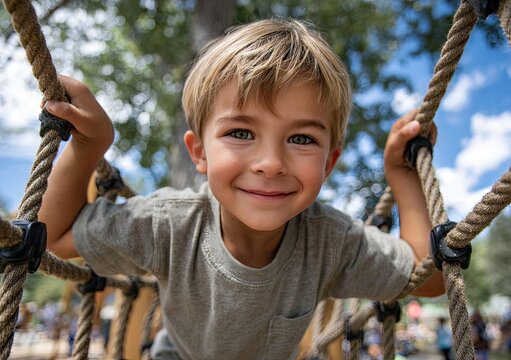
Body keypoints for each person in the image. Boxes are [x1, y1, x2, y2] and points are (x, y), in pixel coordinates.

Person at [38, 19, 444, 360]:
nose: (270, 162)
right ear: (200, 153)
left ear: (329, 163)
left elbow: (428, 278)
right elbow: (51, 239)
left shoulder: (330, 242)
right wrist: (89, 146)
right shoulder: (168, 224)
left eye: (302, 139)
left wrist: (403, 176)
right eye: (240, 132)